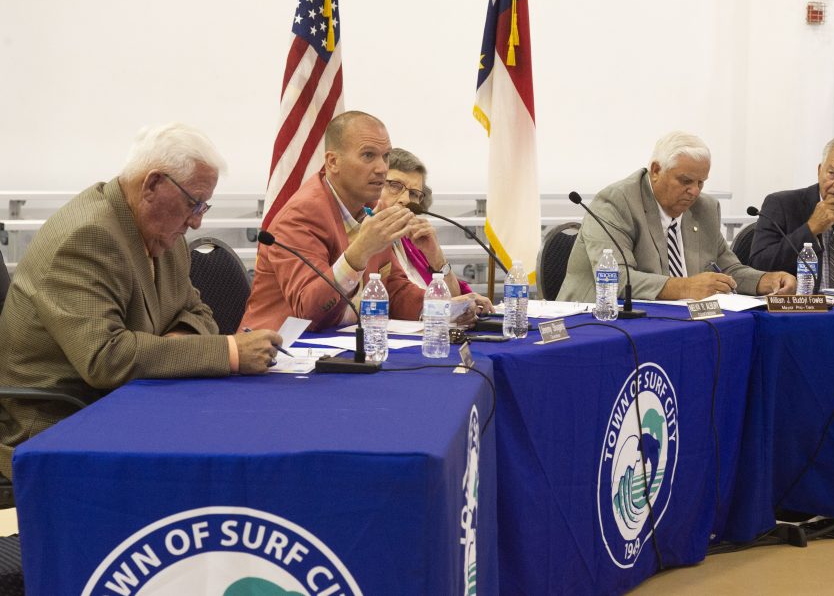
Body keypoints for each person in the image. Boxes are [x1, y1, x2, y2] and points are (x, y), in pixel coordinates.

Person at [0, 123, 282, 478]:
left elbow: (197, 310)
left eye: (204, 206)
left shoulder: (160, 229)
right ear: (152, 185)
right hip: (59, 426)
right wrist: (231, 353)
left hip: (127, 404)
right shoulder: (87, 237)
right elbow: (106, 358)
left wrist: (173, 345)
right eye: (193, 203)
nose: (196, 222)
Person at [242, 111, 488, 332]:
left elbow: (394, 288)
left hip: (344, 350)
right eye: (368, 155)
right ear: (333, 162)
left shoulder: (370, 210)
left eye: (386, 156)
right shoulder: (300, 217)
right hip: (281, 356)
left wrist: (441, 310)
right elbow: (311, 311)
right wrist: (360, 251)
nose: (382, 168)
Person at [557, 131, 795, 302]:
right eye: (685, 181)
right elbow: (615, 278)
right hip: (597, 321)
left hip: (675, 322)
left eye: (701, 182)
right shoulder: (616, 202)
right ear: (656, 170)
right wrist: (686, 287)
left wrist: (765, 280)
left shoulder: (705, 208)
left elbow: (726, 269)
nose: (695, 191)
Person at [749, 137, 834, 288]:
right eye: (832, 173)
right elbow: (758, 267)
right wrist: (810, 228)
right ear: (819, 171)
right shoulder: (781, 205)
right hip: (800, 310)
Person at [377, 148, 473, 297]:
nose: (406, 200)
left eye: (414, 194)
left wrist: (437, 258)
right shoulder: (364, 237)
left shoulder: (412, 242)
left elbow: (455, 297)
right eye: (395, 185)